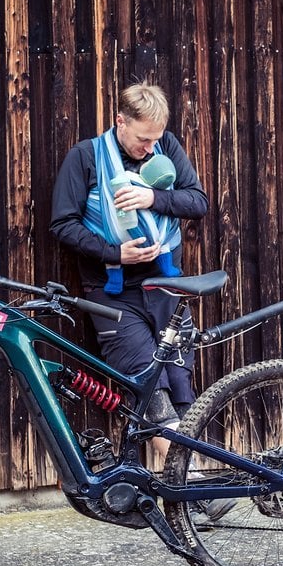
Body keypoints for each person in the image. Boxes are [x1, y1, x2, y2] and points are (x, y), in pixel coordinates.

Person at [49, 82, 208, 467]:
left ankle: (189, 494)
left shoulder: (166, 145)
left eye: (156, 139)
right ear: (120, 121)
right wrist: (114, 252)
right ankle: (198, 494)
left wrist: (154, 197)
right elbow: (62, 223)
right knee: (150, 395)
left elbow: (197, 201)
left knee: (183, 392)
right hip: (112, 294)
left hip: (167, 288)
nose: (151, 148)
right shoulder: (85, 157)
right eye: (143, 139)